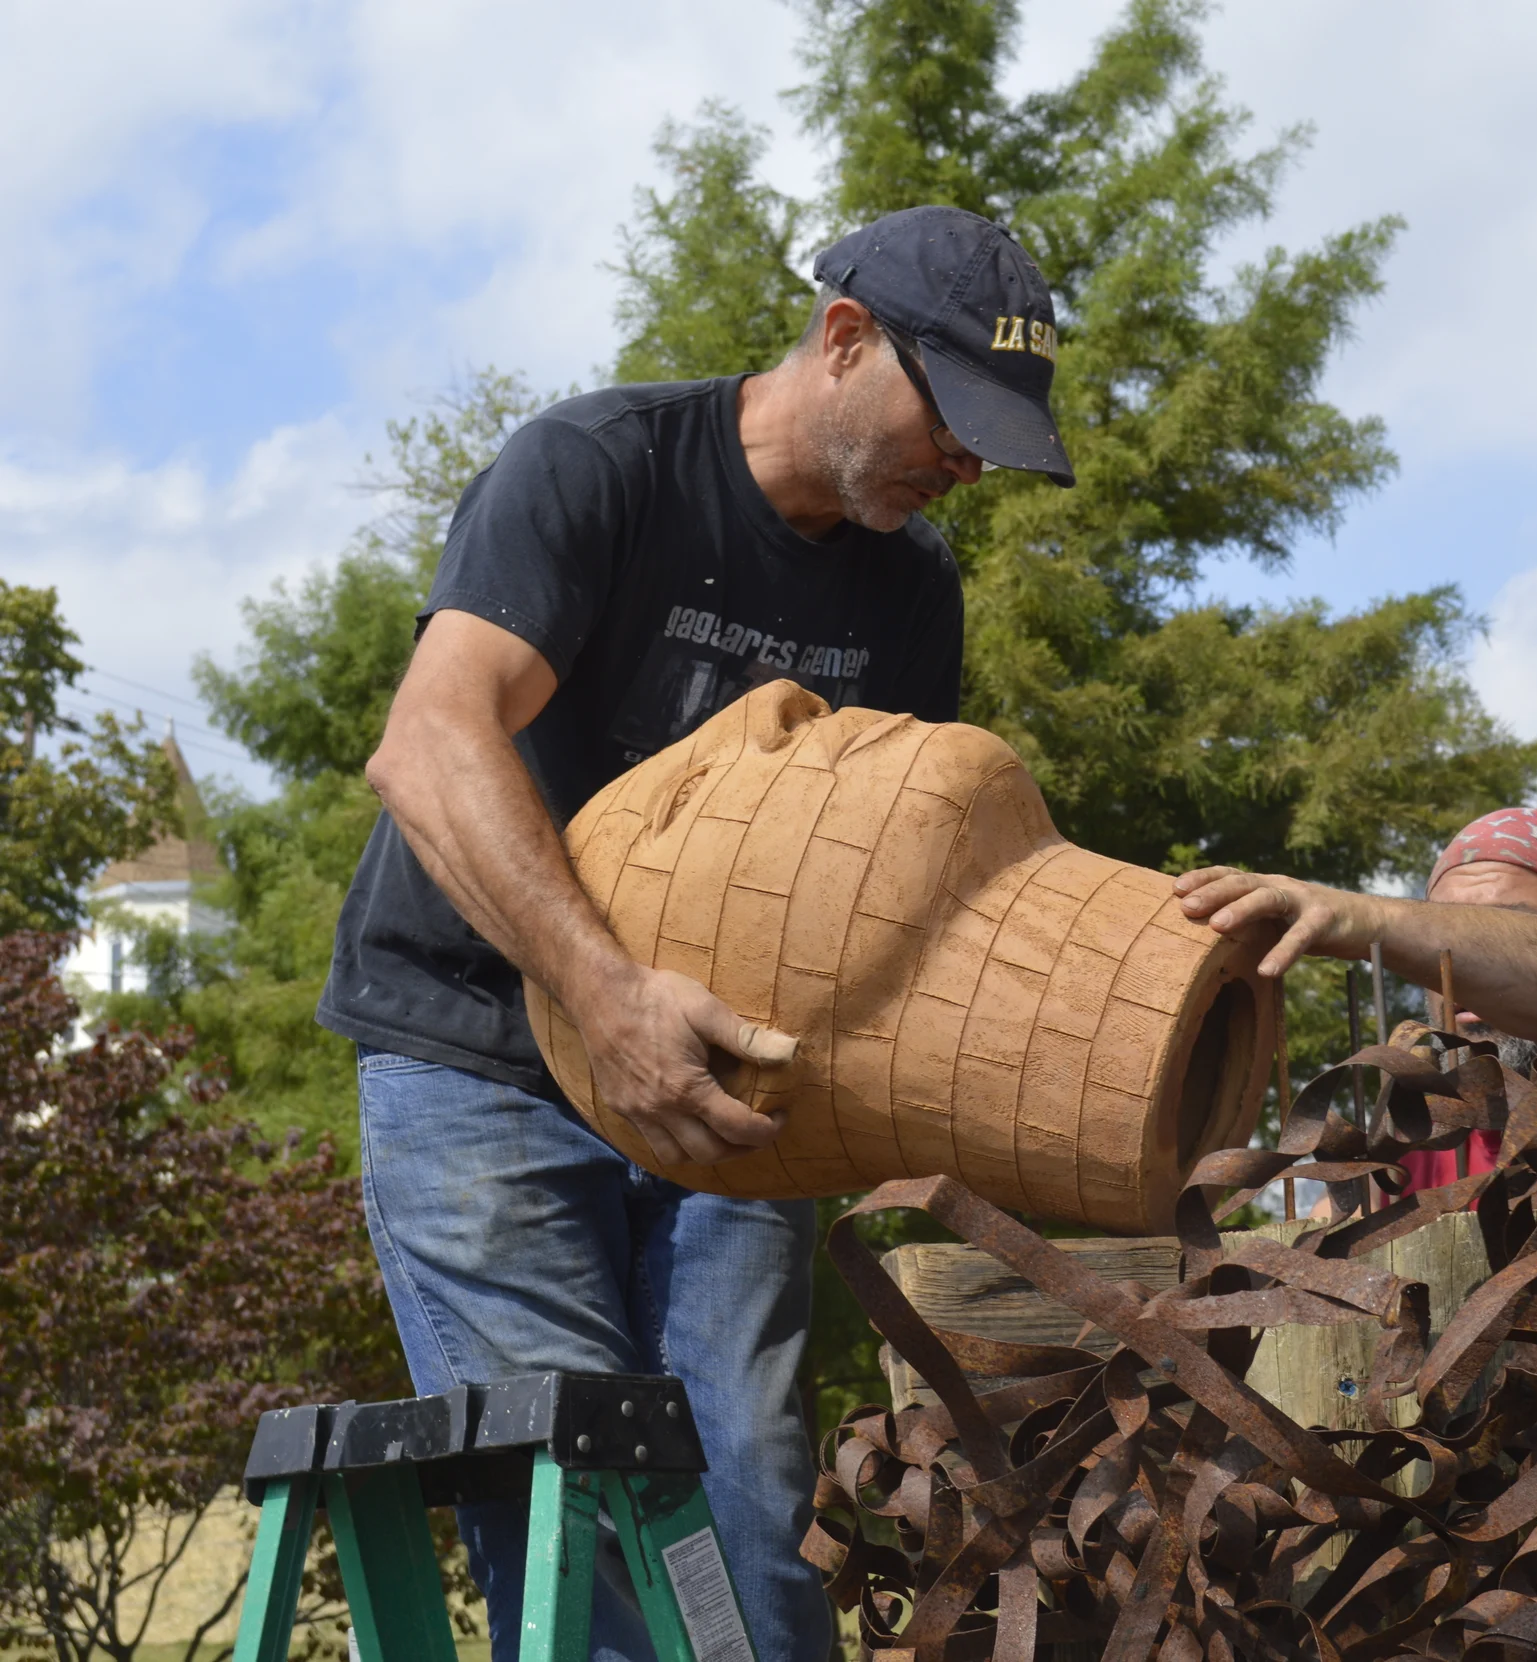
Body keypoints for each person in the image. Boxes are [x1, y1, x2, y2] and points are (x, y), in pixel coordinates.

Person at [317, 206, 1075, 1662]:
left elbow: (867, 880)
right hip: (477, 1057)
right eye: (954, 416)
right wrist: (604, 996)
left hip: (723, 1087)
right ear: (845, 338)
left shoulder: (910, 590)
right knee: (581, 1512)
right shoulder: (600, 469)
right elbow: (429, 743)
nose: (970, 463)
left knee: (752, 1518)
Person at [1173, 806, 1537, 1197]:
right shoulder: (1411, 1148)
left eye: (1501, 934)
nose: (1462, 968)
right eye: (1443, 933)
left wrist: (1367, 917)